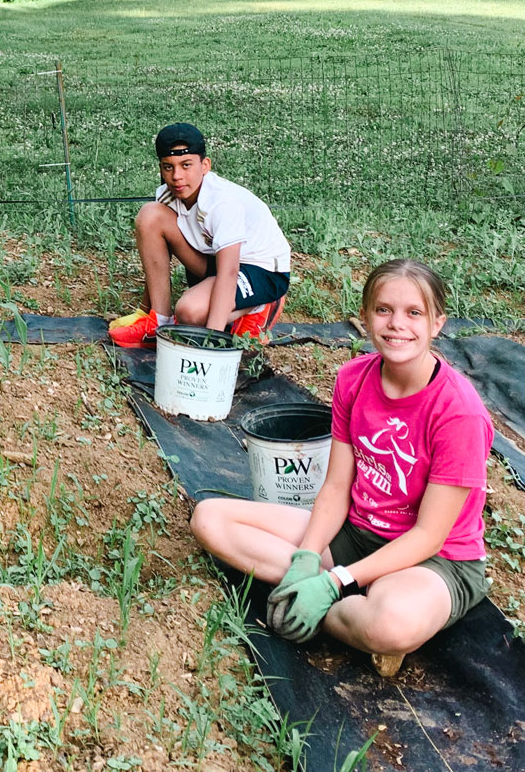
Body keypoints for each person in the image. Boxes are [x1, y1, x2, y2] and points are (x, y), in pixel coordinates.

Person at [190, 259, 494, 675]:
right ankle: (328, 596)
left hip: (433, 559)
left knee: (392, 623)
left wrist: (334, 581)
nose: (396, 324)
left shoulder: (459, 413)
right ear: (366, 315)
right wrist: (306, 557)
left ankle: (326, 604)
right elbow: (335, 488)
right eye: (383, 309)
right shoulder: (354, 379)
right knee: (210, 518)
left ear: (437, 323)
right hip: (356, 532)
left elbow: (428, 535)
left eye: (414, 313)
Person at [109, 123, 291, 348]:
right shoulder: (168, 195)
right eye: (168, 167)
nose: (177, 176)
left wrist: (209, 340)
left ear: (205, 165)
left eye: (186, 165)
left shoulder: (222, 202)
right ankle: (159, 323)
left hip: (262, 270)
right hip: (214, 258)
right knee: (150, 216)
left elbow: (229, 271)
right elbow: (156, 255)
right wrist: (146, 311)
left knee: (189, 312)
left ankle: (260, 306)